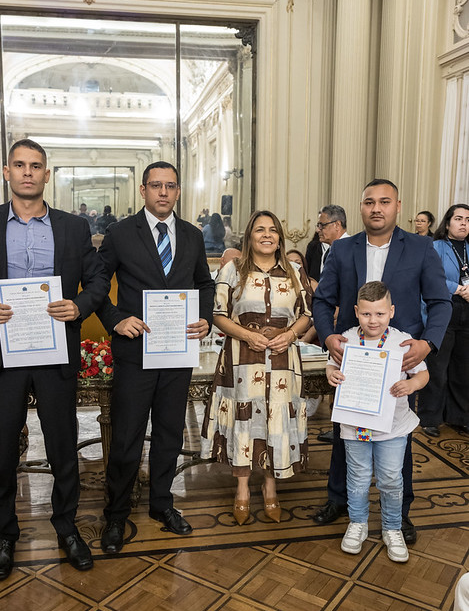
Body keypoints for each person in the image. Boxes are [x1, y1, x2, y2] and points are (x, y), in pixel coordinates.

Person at [0, 138, 110, 581]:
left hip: (54, 349)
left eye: (35, 166)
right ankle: (5, 534)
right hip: (4, 350)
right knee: (2, 449)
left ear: (46, 174)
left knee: (63, 446)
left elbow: (97, 279)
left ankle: (66, 527)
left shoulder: (73, 227)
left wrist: (79, 306)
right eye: (19, 165)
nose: (27, 172)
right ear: (7, 172)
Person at [312, 178, 452, 544]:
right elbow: (323, 301)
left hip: (401, 356)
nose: (377, 208)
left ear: (398, 206)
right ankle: (338, 501)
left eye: (384, 202)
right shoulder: (343, 250)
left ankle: (398, 514)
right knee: (347, 434)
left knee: (397, 436)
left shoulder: (421, 248)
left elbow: (440, 301)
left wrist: (428, 345)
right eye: (370, 202)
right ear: (361, 207)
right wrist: (328, 337)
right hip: (352, 355)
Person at [97, 160, 214, 554]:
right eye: (156, 185)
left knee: (169, 433)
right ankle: (116, 512)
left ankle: (162, 503)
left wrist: (205, 318)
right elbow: (97, 284)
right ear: (143, 191)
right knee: (127, 436)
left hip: (177, 352)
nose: (163, 192)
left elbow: (203, 283)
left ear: (178, 191)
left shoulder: (193, 236)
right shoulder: (118, 234)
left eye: (170, 186)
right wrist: (115, 319)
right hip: (135, 352)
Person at [200, 210, 312, 525]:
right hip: (241, 360)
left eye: (273, 230)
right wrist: (249, 335)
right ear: (249, 235)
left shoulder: (293, 270)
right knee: (244, 422)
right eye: (260, 230)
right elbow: (218, 314)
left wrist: (290, 335)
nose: (267, 235)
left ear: (280, 236)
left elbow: (306, 313)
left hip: (282, 362)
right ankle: (242, 489)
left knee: (276, 420)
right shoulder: (233, 270)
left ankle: (270, 485)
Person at [327, 281, 429, 563]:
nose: (373, 320)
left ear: (392, 311)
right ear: (357, 311)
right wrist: (331, 375)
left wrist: (412, 386)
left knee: (391, 479)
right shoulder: (346, 338)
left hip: (392, 427)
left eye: (380, 314)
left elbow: (423, 374)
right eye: (367, 314)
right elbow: (332, 366)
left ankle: (392, 528)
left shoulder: (403, 341)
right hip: (354, 424)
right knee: (357, 478)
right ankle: (358, 524)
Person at [418, 204, 469, 437]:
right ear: (447, 223)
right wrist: (458, 288)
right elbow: (430, 278)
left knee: (463, 369)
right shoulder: (435, 246)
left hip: (466, 315)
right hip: (443, 313)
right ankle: (430, 417)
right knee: (437, 369)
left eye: (468, 220)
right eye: (458, 218)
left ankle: (458, 417)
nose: (464, 223)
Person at [316, 204, 349, 274]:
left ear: (337, 225)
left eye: (322, 225)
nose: (318, 230)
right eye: (318, 226)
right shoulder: (327, 252)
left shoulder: (351, 249)